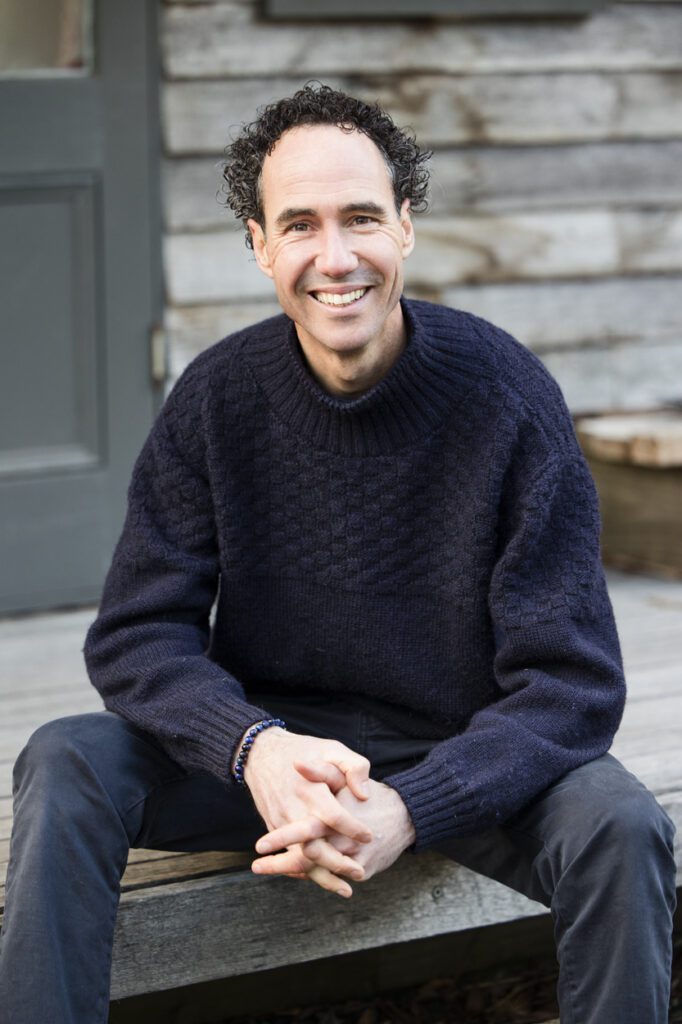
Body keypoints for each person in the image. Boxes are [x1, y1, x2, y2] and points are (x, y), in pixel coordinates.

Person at [0, 83, 676, 1024]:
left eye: (361, 216)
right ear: (258, 244)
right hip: (270, 755)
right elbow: (136, 636)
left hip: (456, 750)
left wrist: (414, 806)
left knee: (622, 823)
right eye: (300, 224)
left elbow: (571, 684)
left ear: (406, 226)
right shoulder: (215, 400)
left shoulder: (507, 397)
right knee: (67, 757)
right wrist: (252, 747)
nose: (335, 256)